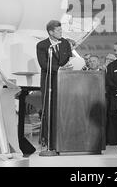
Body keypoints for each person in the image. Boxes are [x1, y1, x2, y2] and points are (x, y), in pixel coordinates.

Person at [36, 20, 72, 149]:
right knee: (48, 109)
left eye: (61, 30)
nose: (61, 32)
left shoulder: (65, 43)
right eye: (58, 30)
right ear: (51, 32)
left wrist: (71, 64)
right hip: (49, 81)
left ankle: (61, 137)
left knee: (62, 109)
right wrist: (59, 68)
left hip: (64, 81)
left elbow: (69, 58)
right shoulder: (42, 45)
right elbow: (43, 64)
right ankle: (46, 138)